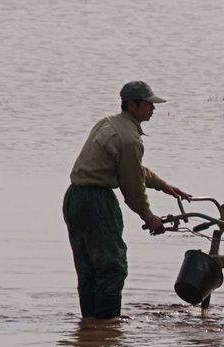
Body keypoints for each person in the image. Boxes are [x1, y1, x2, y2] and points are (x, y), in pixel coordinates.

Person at [63, 81, 190, 319]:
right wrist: (149, 216)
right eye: (149, 104)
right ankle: (107, 328)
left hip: (74, 198)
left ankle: (90, 325)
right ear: (132, 105)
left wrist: (163, 186)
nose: (153, 109)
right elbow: (131, 186)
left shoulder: (108, 123)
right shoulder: (130, 139)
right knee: (112, 267)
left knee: (88, 268)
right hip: (96, 202)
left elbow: (133, 170)